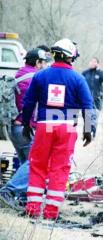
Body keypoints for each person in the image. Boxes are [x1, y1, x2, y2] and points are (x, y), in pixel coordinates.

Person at [22, 38, 96, 220]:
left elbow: (29, 102)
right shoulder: (78, 78)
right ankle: (51, 213)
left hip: (44, 125)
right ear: (71, 57)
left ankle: (32, 209)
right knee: (60, 168)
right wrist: (89, 129)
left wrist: (26, 123)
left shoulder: (40, 76)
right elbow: (88, 105)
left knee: (38, 166)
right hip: (67, 127)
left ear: (54, 55)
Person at [0, 48, 50, 210]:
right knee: (35, 162)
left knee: (24, 163)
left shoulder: (19, 74)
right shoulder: (34, 79)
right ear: (37, 63)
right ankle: (8, 191)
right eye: (43, 63)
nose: (44, 66)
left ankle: (20, 199)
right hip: (25, 128)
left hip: (13, 128)